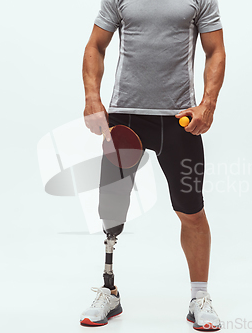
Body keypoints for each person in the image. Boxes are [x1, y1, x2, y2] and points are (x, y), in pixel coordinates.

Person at [80, 0, 226, 330]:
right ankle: (109, 289)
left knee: (191, 210)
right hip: (125, 119)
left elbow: (215, 49)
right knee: (111, 208)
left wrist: (208, 103)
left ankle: (199, 297)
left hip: (180, 122)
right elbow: (96, 45)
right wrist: (92, 98)